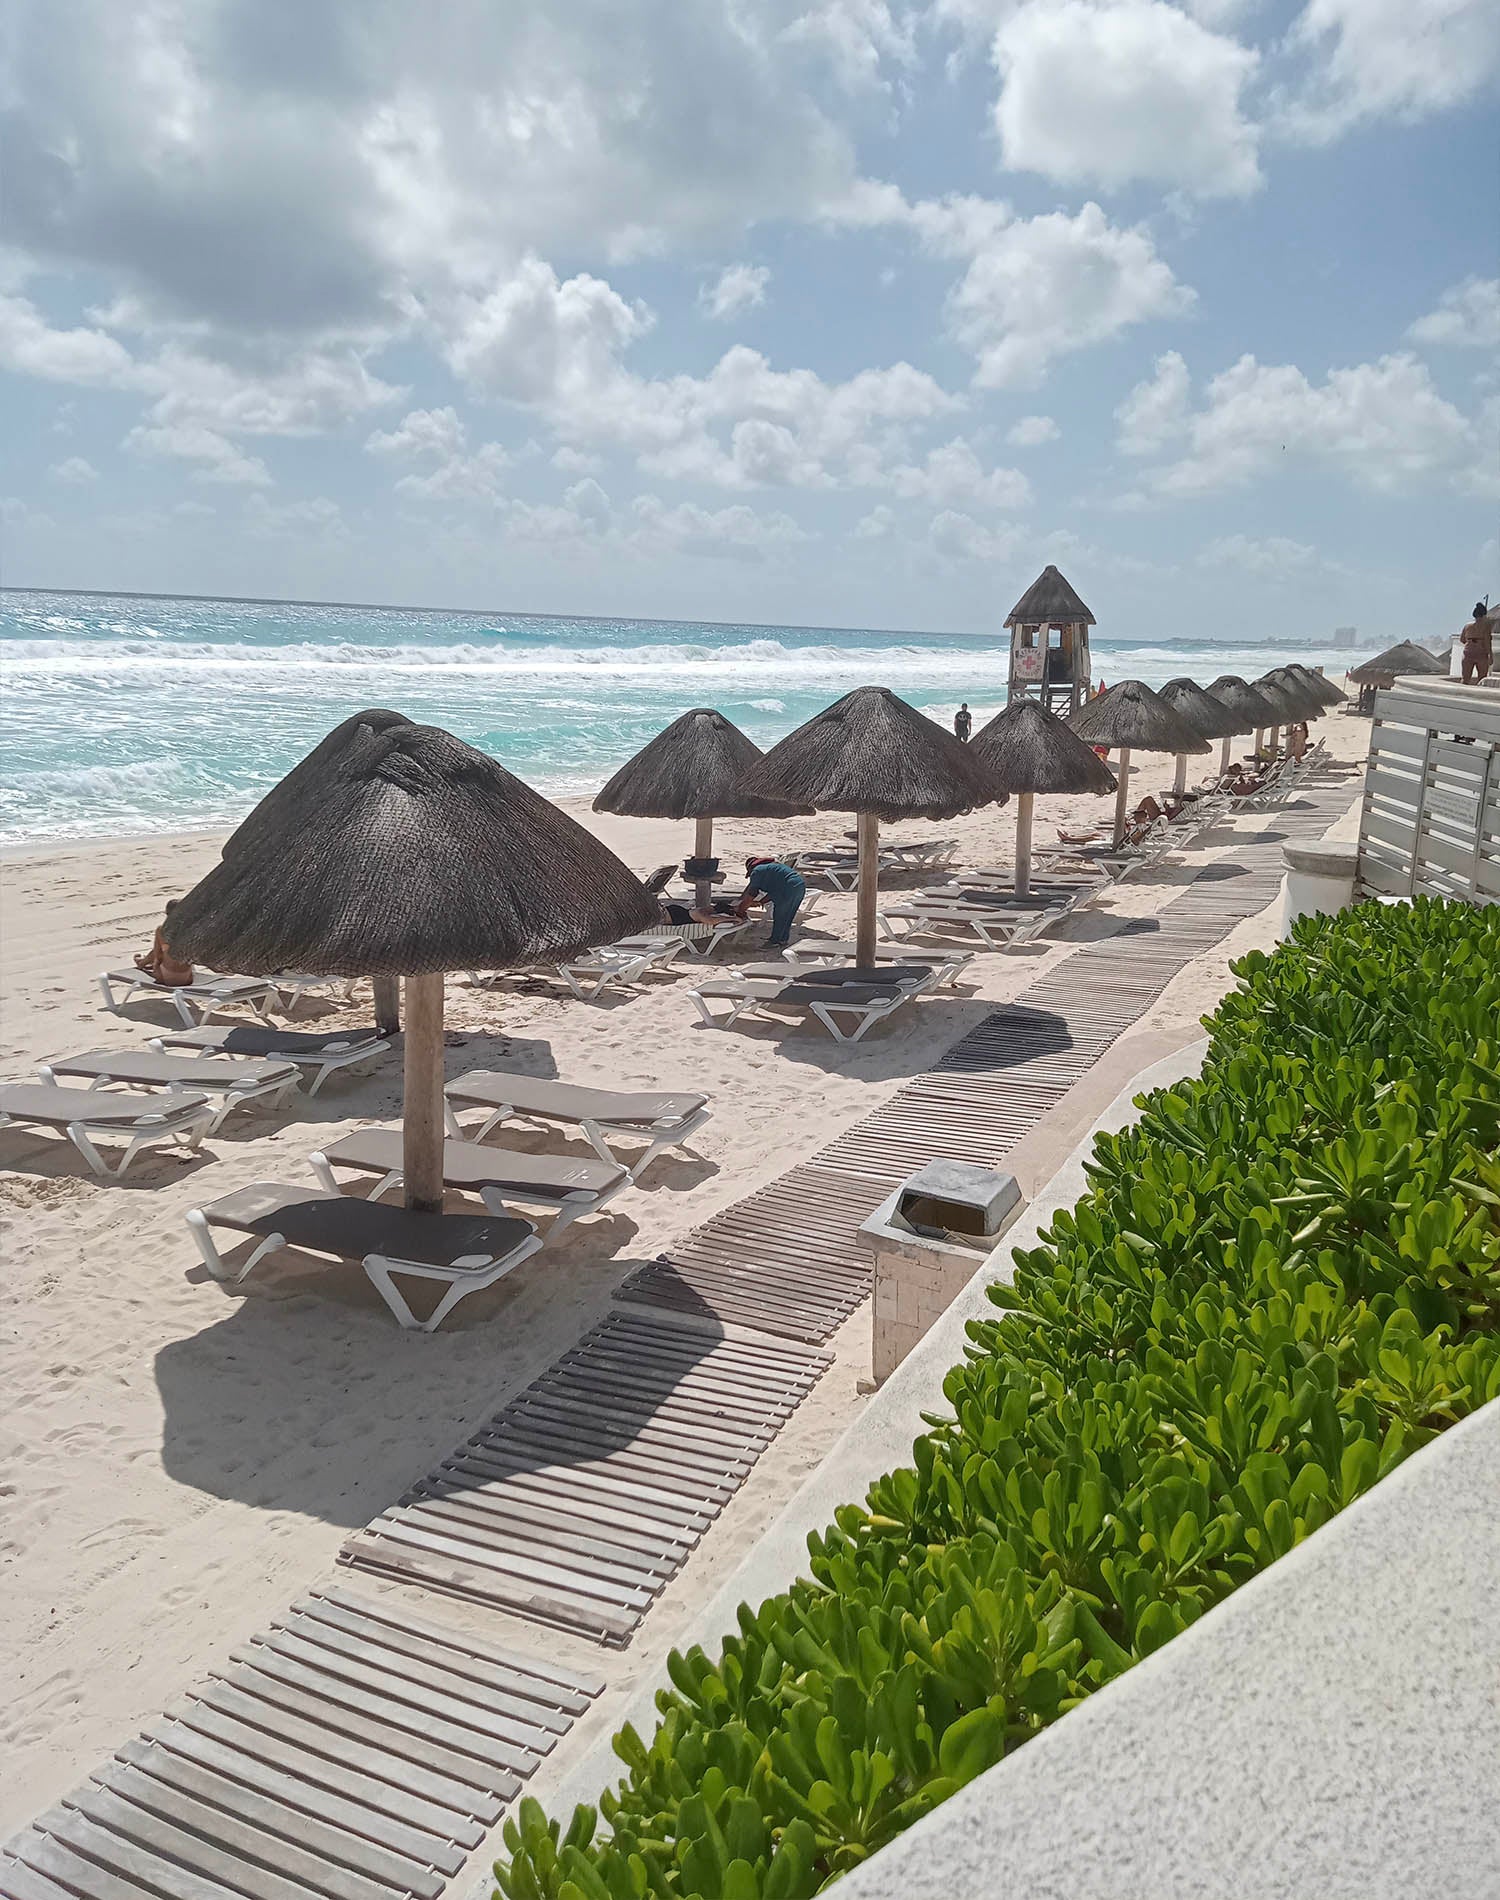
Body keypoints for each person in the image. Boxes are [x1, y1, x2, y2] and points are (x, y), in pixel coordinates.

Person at [736, 855, 806, 949]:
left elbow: (751, 894)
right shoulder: (772, 867)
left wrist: (740, 910)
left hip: (788, 887)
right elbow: (774, 892)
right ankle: (783, 939)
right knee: (789, 914)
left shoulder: (757, 871)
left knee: (779, 915)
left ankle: (774, 941)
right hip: (800, 886)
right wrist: (761, 902)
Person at [134, 899, 194, 987]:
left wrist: (155, 964)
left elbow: (157, 955)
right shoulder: (190, 929)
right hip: (187, 978)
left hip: (166, 977)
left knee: (161, 951)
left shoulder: (161, 929)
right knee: (169, 950)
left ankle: (142, 963)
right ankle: (143, 962)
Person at [1460, 601, 1493, 684]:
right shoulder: (1486, 626)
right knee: (1482, 679)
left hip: (1468, 652)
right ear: (1484, 615)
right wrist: (1490, 655)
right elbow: (1487, 642)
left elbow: (1462, 639)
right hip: (1481, 653)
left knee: (1465, 678)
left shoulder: (1467, 625)